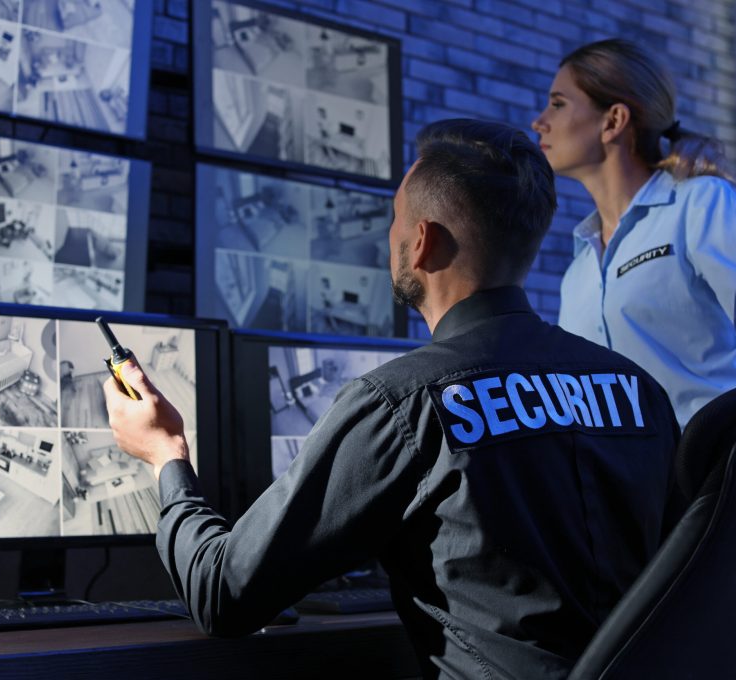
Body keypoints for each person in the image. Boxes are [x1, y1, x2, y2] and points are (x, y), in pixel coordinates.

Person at [104, 119, 679, 679]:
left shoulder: (401, 403)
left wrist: (165, 456)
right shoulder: (640, 392)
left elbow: (224, 594)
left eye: (395, 220)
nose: (390, 237)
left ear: (422, 242)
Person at [532, 38, 736, 429]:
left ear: (613, 121)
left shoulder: (698, 203)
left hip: (718, 473)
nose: (540, 121)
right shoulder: (578, 270)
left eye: (558, 103)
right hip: (626, 483)